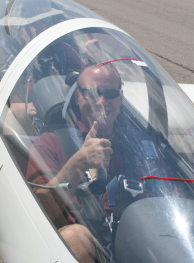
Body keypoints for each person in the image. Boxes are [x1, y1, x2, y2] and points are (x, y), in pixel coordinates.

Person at [26, 64, 125, 262]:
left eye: (110, 93)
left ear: (120, 99)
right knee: (74, 238)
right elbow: (36, 212)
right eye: (92, 93)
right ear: (78, 97)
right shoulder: (51, 142)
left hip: (136, 244)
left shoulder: (138, 147)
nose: (101, 101)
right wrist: (78, 162)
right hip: (88, 251)